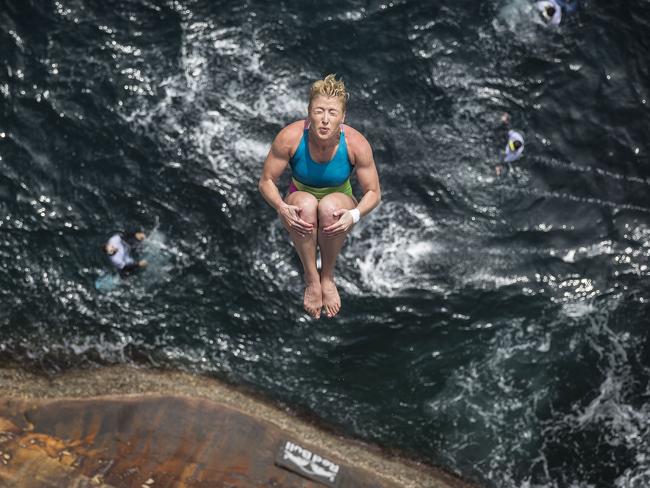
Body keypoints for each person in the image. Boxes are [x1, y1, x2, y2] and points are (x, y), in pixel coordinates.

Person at [258, 74, 381, 319]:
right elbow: (266, 181)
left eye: (332, 113)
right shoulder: (290, 137)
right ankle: (311, 278)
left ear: (342, 117)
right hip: (298, 198)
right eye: (319, 111)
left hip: (340, 201)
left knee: (327, 208)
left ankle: (328, 277)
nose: (325, 120)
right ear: (309, 112)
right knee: (305, 205)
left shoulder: (356, 143)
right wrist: (281, 207)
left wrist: (353, 216)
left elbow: (374, 193)